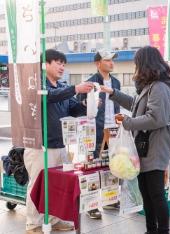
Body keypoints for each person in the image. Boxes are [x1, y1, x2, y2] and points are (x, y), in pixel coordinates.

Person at [101, 46, 170, 234]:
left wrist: (127, 122)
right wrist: (113, 93)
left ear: (144, 64)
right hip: (146, 146)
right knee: (146, 191)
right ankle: (150, 230)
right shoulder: (150, 86)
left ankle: (162, 231)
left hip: (156, 146)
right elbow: (135, 105)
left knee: (156, 194)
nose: (135, 68)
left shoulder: (159, 87)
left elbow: (156, 118)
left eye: (137, 64)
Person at [24, 49, 94, 234]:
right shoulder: (37, 85)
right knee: (37, 185)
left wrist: (87, 105)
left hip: (60, 144)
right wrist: (74, 89)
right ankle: (33, 224)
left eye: (64, 63)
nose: (62, 66)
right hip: (41, 145)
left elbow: (72, 108)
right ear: (45, 64)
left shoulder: (61, 86)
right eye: (58, 62)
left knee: (56, 186)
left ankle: (54, 220)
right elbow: (47, 97)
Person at [77, 49, 121, 219]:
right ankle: (91, 205)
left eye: (112, 60)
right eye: (107, 60)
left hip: (114, 130)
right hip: (95, 131)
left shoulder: (116, 82)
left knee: (113, 166)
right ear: (97, 63)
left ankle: (110, 200)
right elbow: (79, 105)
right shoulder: (90, 82)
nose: (111, 62)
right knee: (92, 168)